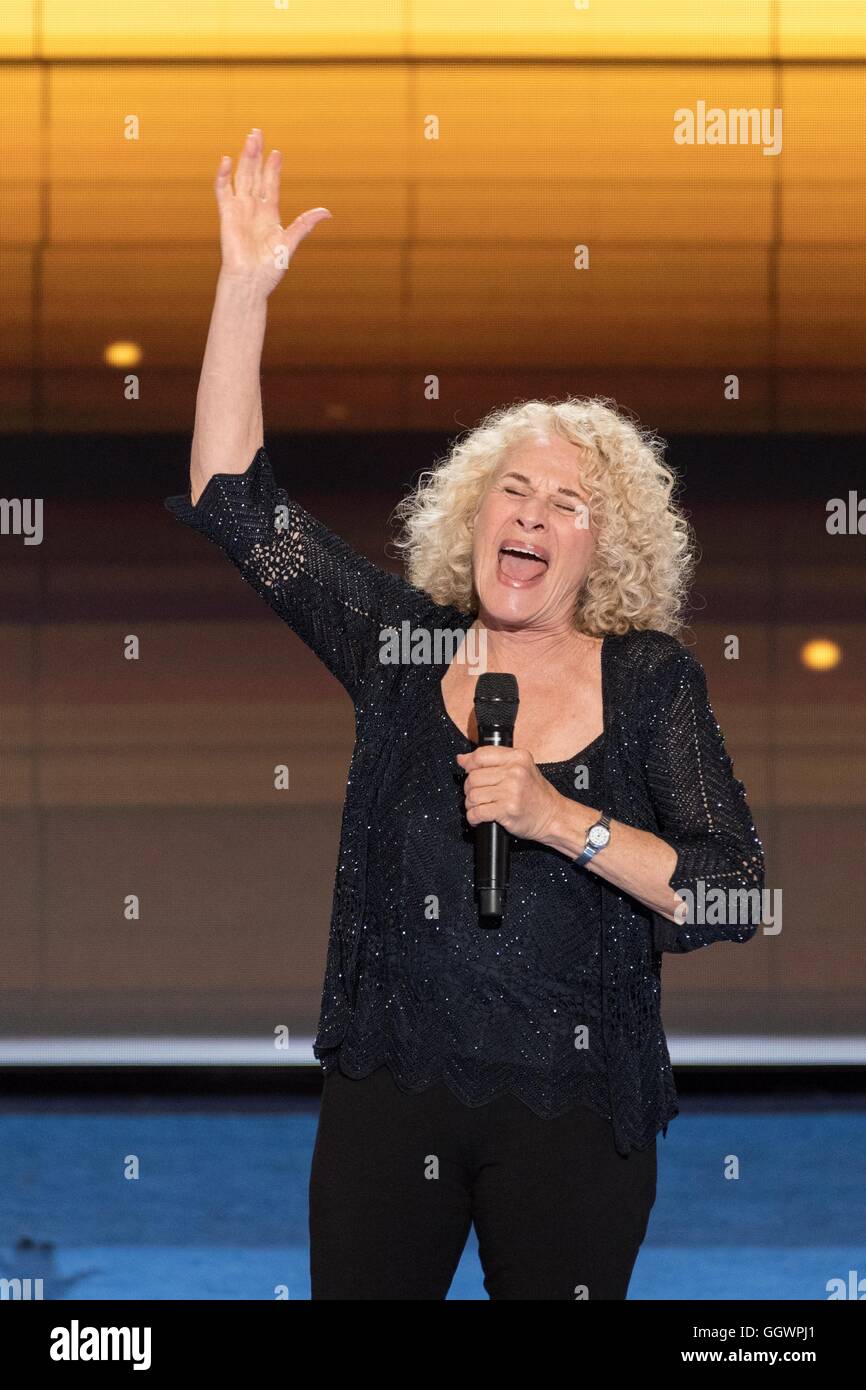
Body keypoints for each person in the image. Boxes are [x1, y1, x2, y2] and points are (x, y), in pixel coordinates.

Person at [165, 128, 765, 1300]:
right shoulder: (404, 650)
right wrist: (242, 293)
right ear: (472, 510)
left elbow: (735, 887)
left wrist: (559, 820)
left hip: (574, 1113)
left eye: (566, 503)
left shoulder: (648, 682)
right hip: (393, 1095)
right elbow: (232, 502)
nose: (531, 515)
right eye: (513, 488)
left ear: (604, 546)